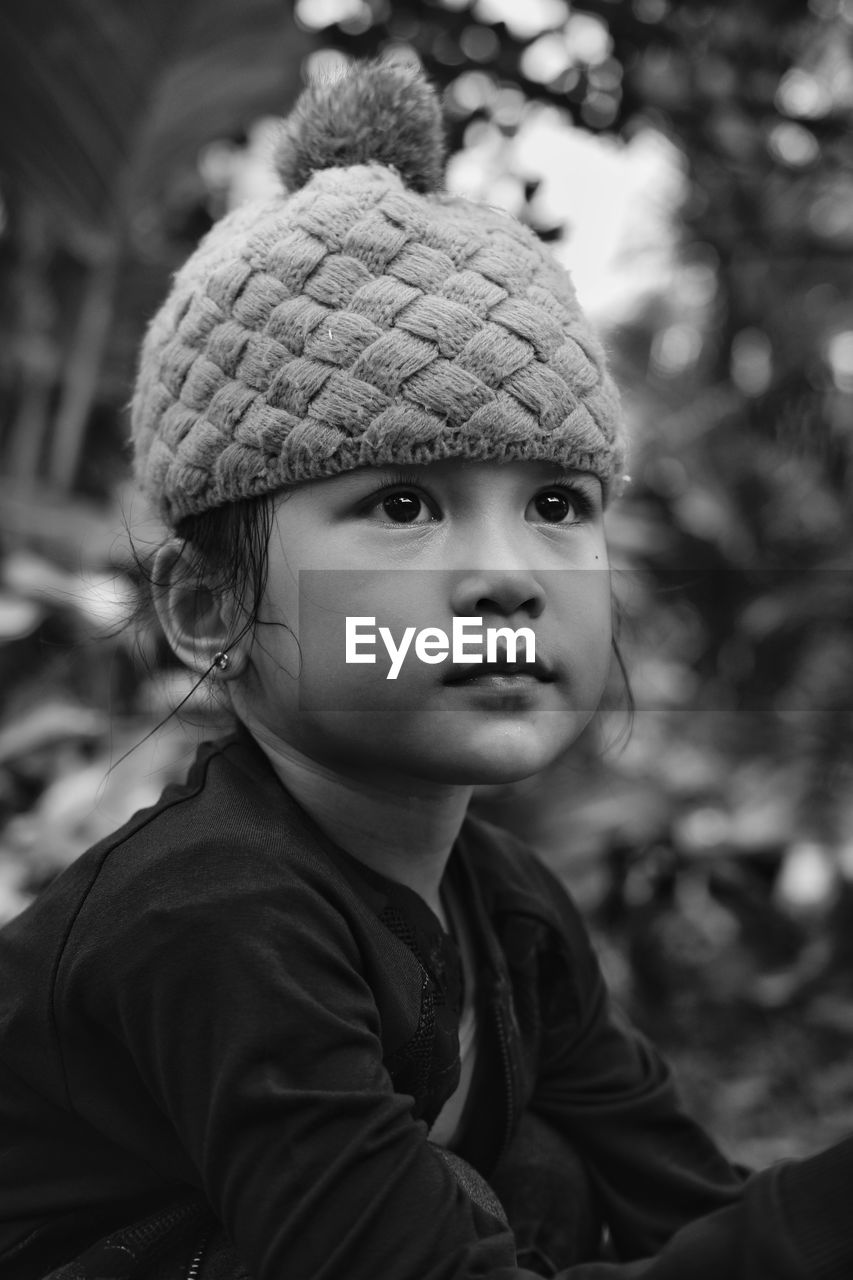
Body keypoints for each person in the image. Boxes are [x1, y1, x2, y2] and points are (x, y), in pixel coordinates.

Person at [0, 59, 850, 1280]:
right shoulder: (211, 918)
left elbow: (692, 1209)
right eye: (403, 502)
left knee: (544, 1167)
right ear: (207, 606)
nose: (509, 576)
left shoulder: (502, 906)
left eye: (557, 501)